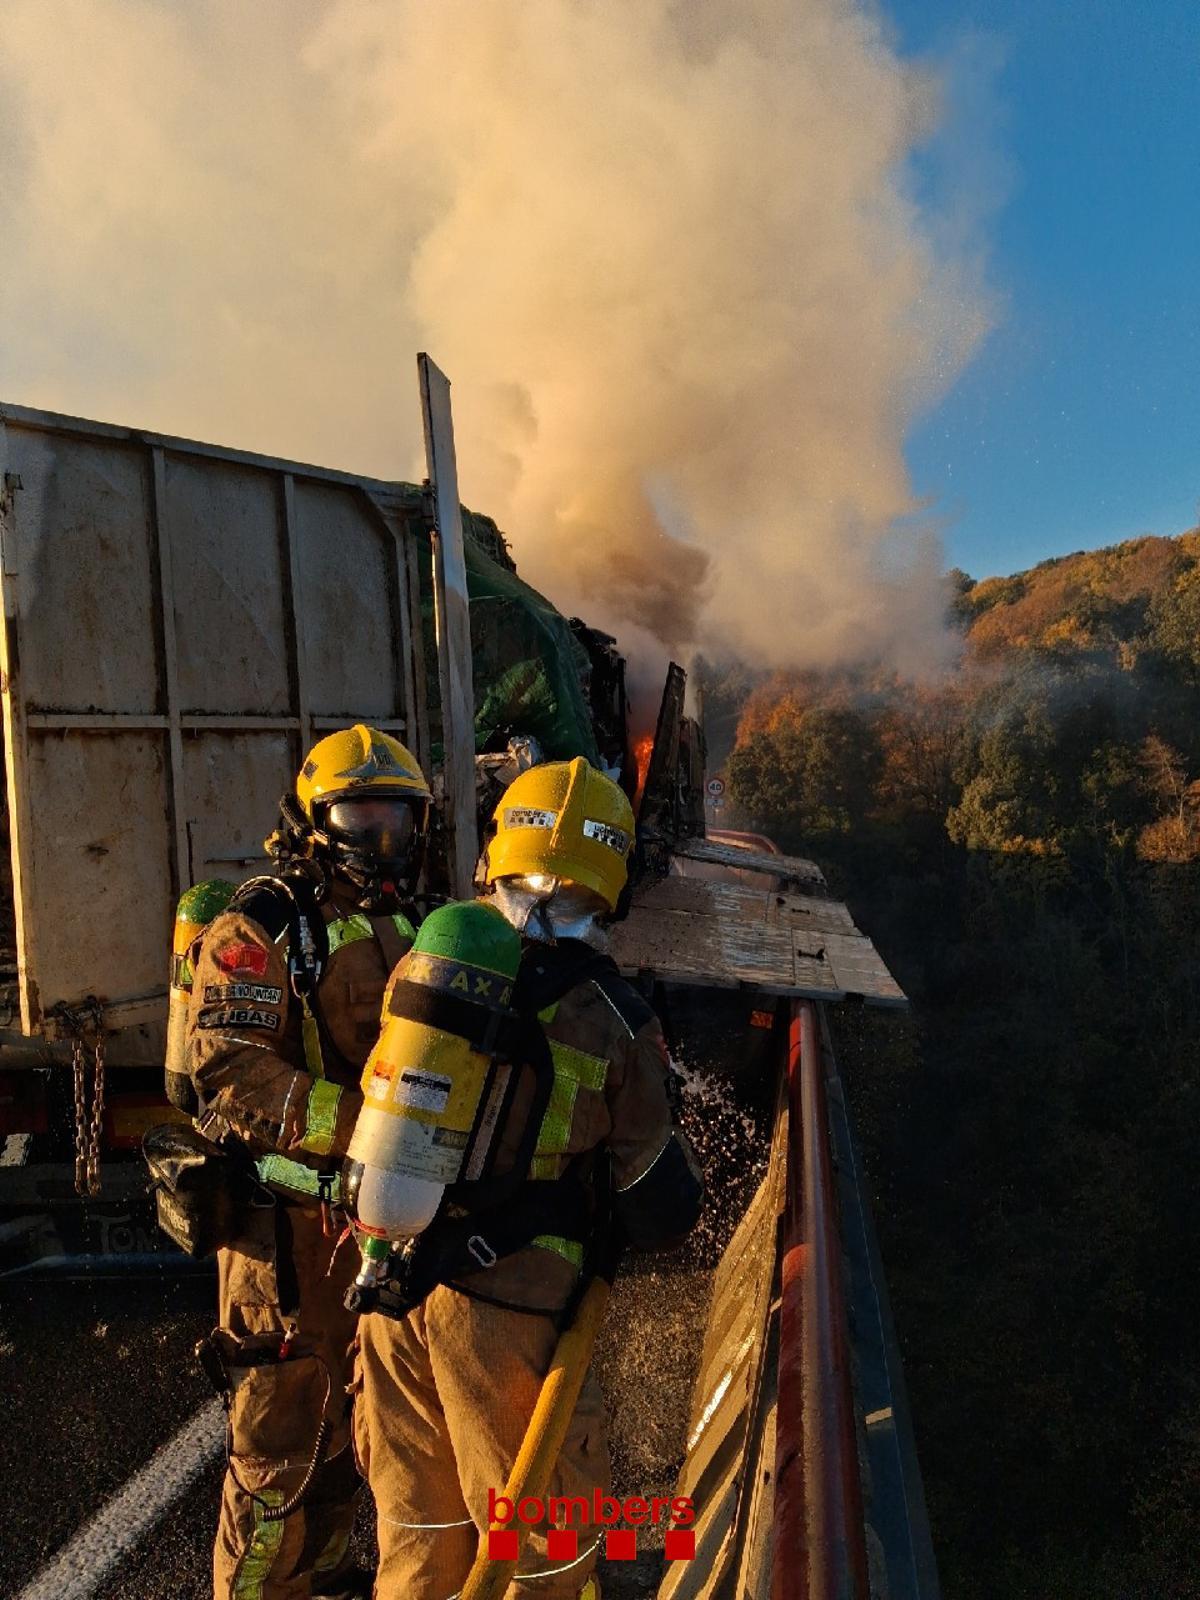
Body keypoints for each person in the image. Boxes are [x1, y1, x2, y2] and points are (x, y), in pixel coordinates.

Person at [352, 756, 704, 1600]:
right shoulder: (613, 1019)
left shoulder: (429, 967)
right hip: (509, 1319)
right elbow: (658, 1208)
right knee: (543, 1553)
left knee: (420, 1540)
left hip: (394, 1286)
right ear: (610, 879)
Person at [186, 724, 432, 1600]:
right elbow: (227, 1067)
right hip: (287, 1234)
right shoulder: (262, 923)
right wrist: (366, 1127)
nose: (382, 840)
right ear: (316, 822)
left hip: (382, 1224)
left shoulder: (415, 916)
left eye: (397, 818)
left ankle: (324, 1579)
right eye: (360, 818)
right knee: (276, 1440)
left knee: (352, 1431)